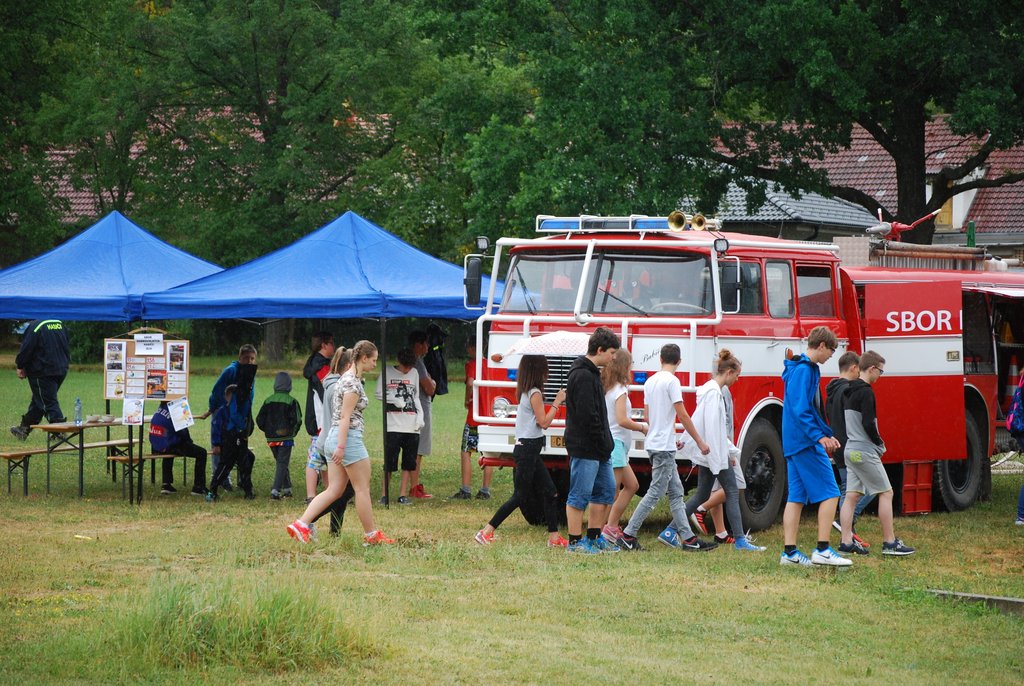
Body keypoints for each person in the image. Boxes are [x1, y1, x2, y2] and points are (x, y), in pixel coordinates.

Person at [287, 340, 394, 546]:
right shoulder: (352, 383)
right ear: (363, 358)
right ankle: (371, 536)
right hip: (348, 438)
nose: (375, 364)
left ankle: (302, 524)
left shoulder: (344, 378)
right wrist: (342, 447)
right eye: (373, 360)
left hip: (333, 437)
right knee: (362, 488)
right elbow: (345, 417)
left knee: (334, 490)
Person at [615, 343, 716, 553]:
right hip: (663, 446)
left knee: (676, 492)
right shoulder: (672, 381)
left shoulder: (651, 381)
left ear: (660, 359)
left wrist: (672, 438)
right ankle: (628, 534)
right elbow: (682, 414)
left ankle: (688, 538)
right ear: (679, 362)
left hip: (655, 443)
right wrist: (699, 441)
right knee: (655, 492)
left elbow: (650, 416)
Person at [474, 355, 568, 547]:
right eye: (545, 368)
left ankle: (554, 537)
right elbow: (544, 422)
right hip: (528, 449)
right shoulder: (535, 393)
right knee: (520, 496)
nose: (547, 372)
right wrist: (557, 402)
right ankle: (486, 531)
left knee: (551, 492)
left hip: (529, 449)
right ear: (538, 371)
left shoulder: (527, 391)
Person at [780, 326, 851, 567]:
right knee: (831, 492)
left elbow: (806, 409)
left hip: (794, 443)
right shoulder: (805, 370)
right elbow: (802, 409)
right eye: (830, 351)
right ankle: (822, 549)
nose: (831, 356)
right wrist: (819, 437)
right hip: (805, 442)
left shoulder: (799, 368)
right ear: (821, 346)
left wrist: (825, 433)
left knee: (797, 497)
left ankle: (789, 554)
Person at [683, 350, 765, 551]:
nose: (737, 379)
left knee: (703, 493)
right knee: (732, 490)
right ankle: (740, 540)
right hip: (715, 453)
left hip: (713, 451)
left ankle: (670, 529)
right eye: (737, 375)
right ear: (728, 372)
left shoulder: (710, 391)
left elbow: (700, 421)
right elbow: (713, 427)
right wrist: (722, 454)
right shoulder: (714, 394)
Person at [839, 350, 916, 556]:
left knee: (851, 496)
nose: (880, 376)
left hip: (850, 450)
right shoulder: (866, 392)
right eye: (880, 371)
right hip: (864, 451)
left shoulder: (847, 390)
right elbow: (868, 423)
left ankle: (846, 541)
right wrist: (879, 442)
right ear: (872, 369)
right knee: (886, 492)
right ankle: (889, 542)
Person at [564, 326, 623, 554]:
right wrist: (602, 440)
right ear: (599, 350)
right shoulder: (581, 375)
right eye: (611, 352)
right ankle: (575, 542)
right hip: (586, 447)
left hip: (601, 449)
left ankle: (594, 536)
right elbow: (588, 416)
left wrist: (605, 443)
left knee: (606, 491)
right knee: (579, 495)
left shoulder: (593, 374)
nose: (614, 357)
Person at [825, 351, 873, 552]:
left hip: (837, 443)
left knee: (848, 487)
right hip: (851, 444)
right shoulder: (850, 391)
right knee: (869, 487)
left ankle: (847, 527)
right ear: (854, 368)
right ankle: (847, 522)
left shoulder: (831, 390)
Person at [599, 349, 648, 543]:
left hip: (616, 445)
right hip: (616, 445)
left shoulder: (608, 388)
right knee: (612, 492)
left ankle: (609, 526)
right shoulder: (620, 390)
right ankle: (603, 530)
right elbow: (621, 419)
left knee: (632, 485)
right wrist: (642, 427)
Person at [309, 347, 355, 537]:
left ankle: (334, 532)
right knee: (341, 491)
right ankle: (307, 520)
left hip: (329, 441)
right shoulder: (339, 388)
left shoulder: (332, 384)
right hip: (334, 443)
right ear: (349, 366)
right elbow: (343, 419)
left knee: (342, 490)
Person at [206, 345, 258, 501]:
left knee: (246, 457)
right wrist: (214, 408)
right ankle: (217, 486)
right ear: (240, 357)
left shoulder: (250, 375)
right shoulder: (231, 371)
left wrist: (246, 421)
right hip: (229, 423)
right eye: (246, 358)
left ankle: (245, 487)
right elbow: (217, 391)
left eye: (252, 359)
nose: (249, 361)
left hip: (240, 422)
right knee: (225, 459)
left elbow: (248, 399)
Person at [375, 347, 424, 506]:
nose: (407, 370)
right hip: (393, 425)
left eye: (410, 367)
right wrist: (393, 399)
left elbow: (415, 396)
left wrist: (420, 416)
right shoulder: (387, 372)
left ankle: (402, 494)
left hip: (411, 425)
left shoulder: (414, 373)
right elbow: (378, 393)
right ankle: (384, 494)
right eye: (405, 367)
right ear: (399, 362)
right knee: (389, 463)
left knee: (409, 462)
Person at [10, 318, 70, 440]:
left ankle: (60, 432)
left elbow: (27, 348)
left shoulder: (36, 326)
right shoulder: (59, 323)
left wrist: (20, 365)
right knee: (40, 399)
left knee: (47, 402)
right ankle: (24, 428)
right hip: (61, 369)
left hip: (42, 371)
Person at [452, 340, 494, 500]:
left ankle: (466, 489)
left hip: (474, 416)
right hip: (489, 416)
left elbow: (470, 383)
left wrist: (466, 399)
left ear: (471, 348)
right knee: (489, 453)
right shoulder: (490, 364)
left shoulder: (472, 365)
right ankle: (485, 490)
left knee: (466, 451)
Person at [256, 371, 303, 500]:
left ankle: (287, 489)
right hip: (286, 438)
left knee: (281, 462)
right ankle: (275, 491)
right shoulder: (292, 401)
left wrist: (267, 430)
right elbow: (298, 420)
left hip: (271, 438)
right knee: (282, 463)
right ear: (289, 385)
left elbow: (259, 419)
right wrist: (293, 432)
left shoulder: (268, 401)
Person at [148, 400, 208, 496]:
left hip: (156, 446)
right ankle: (198, 487)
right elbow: (183, 431)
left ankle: (166, 484)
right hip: (169, 445)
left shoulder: (160, 408)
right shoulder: (177, 407)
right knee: (202, 453)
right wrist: (189, 442)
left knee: (169, 450)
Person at [303, 332, 335, 503]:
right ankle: (311, 495)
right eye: (331, 343)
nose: (333, 346)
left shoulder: (317, 363)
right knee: (315, 457)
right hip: (321, 418)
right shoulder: (321, 366)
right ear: (324, 345)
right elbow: (327, 393)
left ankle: (330, 491)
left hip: (319, 417)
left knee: (324, 456)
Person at [408, 330, 436, 499]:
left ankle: (413, 484)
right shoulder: (417, 363)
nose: (427, 347)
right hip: (421, 409)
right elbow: (430, 388)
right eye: (425, 343)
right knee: (418, 449)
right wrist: (432, 381)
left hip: (411, 409)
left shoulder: (413, 362)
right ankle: (414, 486)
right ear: (418, 344)